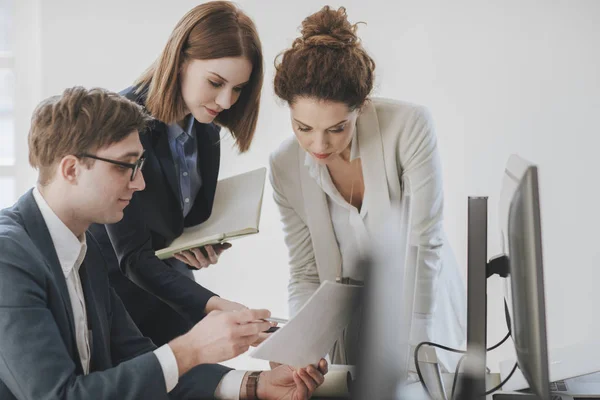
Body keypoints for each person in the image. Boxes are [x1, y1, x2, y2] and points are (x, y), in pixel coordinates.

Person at [0, 86, 327, 400]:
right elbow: (59, 395)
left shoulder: (82, 250)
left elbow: (136, 360)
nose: (139, 182)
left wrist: (256, 383)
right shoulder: (9, 257)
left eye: (140, 166)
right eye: (127, 166)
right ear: (71, 169)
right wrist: (192, 348)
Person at [269, 6, 467, 371]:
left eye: (337, 128)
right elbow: (305, 272)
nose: (319, 145)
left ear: (360, 108)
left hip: (422, 304)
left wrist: (415, 345)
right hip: (349, 319)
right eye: (303, 127)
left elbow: (425, 241)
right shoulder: (283, 165)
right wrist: (299, 350)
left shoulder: (408, 126)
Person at [89, 1, 267, 347]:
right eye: (216, 82)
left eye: (238, 88)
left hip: (168, 300)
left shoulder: (205, 129)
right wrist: (214, 305)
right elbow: (134, 257)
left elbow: (171, 227)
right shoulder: (121, 123)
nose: (226, 101)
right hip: (114, 307)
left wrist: (197, 248)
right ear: (181, 60)